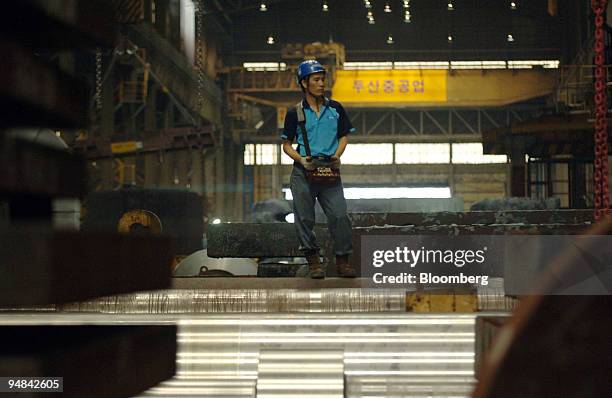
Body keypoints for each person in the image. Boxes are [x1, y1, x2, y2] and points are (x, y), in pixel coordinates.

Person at [281, 59, 356, 279]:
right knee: (304, 218)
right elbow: (286, 145)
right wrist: (302, 160)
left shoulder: (336, 109)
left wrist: (337, 155)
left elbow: (343, 137)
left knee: (340, 216)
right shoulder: (295, 113)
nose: (321, 83)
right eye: (316, 79)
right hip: (304, 172)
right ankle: (313, 262)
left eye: (322, 79)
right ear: (305, 83)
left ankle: (343, 261)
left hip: (329, 171)